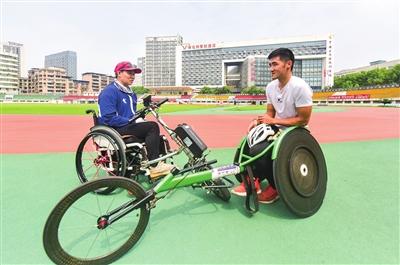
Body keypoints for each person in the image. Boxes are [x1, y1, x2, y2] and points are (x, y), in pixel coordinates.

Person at [231, 48, 313, 204]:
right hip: (278, 127)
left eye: (275, 64)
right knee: (250, 141)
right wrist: (258, 121)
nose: (271, 69)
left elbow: (304, 120)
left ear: (288, 64)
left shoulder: (300, 87)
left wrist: (274, 122)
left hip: (296, 132)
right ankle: (253, 179)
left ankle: (275, 187)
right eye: (270, 65)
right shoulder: (270, 87)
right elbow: (270, 114)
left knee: (260, 149)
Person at [97, 61, 174, 179]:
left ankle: (157, 165)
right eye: (129, 73)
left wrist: (140, 115)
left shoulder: (130, 93)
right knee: (152, 127)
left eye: (134, 73)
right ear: (119, 73)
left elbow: (131, 114)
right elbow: (108, 117)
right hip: (115, 129)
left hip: (126, 125)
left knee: (157, 137)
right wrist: (132, 121)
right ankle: (154, 166)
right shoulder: (109, 91)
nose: (132, 76)